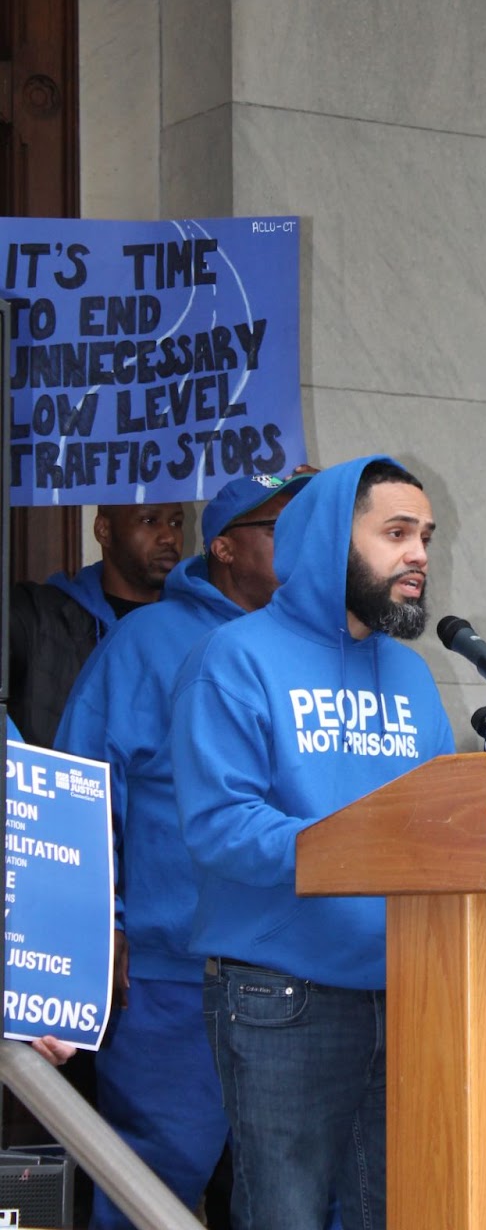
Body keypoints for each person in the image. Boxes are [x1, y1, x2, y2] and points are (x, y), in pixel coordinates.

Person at [171, 455, 455, 1230]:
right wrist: (361, 846)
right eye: (396, 533)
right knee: (285, 1216)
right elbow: (222, 828)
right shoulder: (234, 659)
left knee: (402, 1212)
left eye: (424, 536)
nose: (419, 555)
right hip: (279, 998)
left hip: (408, 992)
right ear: (334, 538)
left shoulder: (411, 676)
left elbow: (437, 825)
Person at [54, 473, 313, 1230]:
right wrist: (101, 922)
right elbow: (82, 790)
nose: (300, 545)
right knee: (148, 1190)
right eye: (278, 528)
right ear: (225, 548)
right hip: (174, 976)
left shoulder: (325, 647)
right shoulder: (145, 641)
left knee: (305, 1193)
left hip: (302, 975)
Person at [9, 502, 185, 746]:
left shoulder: (194, 626)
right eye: (149, 521)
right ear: (103, 529)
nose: (169, 537)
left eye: (177, 523)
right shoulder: (38, 614)